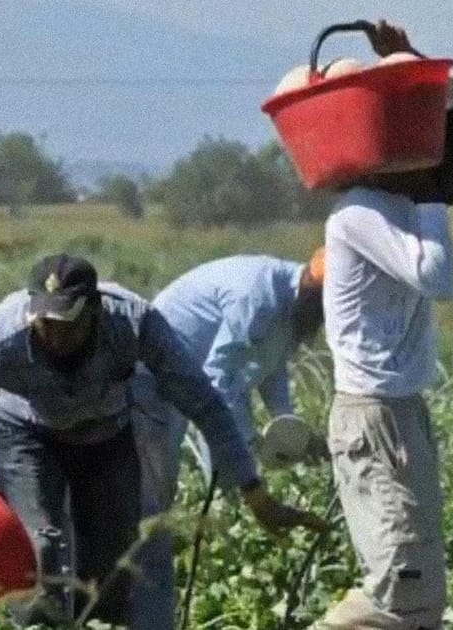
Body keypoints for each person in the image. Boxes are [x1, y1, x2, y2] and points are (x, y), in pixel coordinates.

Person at [0, 253, 326, 627]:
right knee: (39, 550)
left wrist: (254, 493)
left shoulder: (133, 322)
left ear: (94, 311)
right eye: (44, 322)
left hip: (106, 434)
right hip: (28, 435)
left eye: (67, 323)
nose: (53, 335)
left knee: (111, 570)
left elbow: (205, 403)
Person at [313, 21, 453, 630]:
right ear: (434, 162)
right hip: (374, 416)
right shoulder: (362, 214)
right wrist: (426, 188)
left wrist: (410, 62)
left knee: (422, 587)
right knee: (403, 585)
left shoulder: (400, 207)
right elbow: (438, 277)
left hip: (400, 412)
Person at [129, 251, 328, 630]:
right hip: (158, 375)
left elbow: (272, 374)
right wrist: (248, 442)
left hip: (195, 378)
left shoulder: (290, 310)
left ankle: (213, 551)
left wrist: (290, 430)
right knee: (158, 486)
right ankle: (145, 588)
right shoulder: (260, 295)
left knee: (228, 478)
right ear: (313, 292)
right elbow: (219, 377)